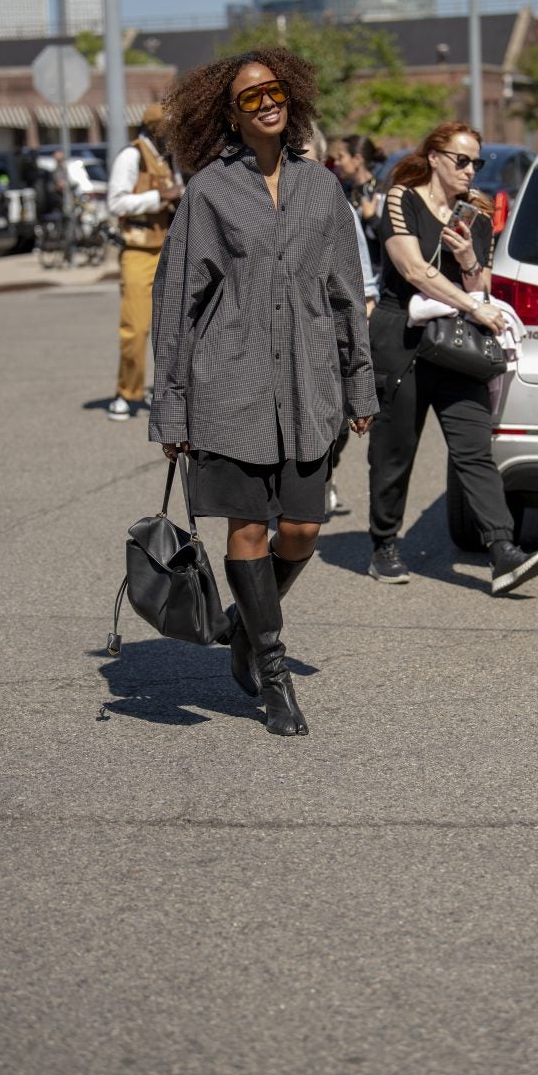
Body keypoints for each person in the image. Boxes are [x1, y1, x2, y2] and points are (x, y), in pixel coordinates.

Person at [149, 49, 378, 737]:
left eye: (273, 91)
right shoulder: (210, 192)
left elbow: (345, 291)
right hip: (230, 387)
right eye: (249, 98)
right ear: (230, 113)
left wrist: (358, 384)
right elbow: (176, 302)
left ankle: (246, 623)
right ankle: (271, 672)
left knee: (303, 529)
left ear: (293, 96)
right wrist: (172, 404)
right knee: (247, 528)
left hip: (310, 387)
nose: (265, 104)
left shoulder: (322, 189)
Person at [366, 120, 538, 595]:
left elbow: (480, 284)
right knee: (394, 451)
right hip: (401, 336)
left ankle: (503, 550)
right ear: (434, 158)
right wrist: (474, 305)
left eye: (477, 162)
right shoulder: (401, 198)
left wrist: (468, 258)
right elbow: (411, 269)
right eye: (462, 160)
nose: (472, 170)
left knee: (473, 449)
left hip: (455, 344)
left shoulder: (479, 217)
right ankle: (384, 544)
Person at [304, 124, 380, 518]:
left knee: (334, 423)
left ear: (321, 159)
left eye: (305, 152)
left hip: (328, 338)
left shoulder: (338, 207)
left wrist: (359, 340)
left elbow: (362, 282)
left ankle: (324, 474)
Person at [105, 104, 183, 421]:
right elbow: (115, 202)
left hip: (168, 246)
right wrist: (161, 197)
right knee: (136, 328)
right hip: (138, 250)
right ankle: (127, 392)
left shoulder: (169, 158)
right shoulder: (131, 156)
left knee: (172, 329)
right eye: (168, 131)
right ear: (154, 129)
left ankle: (164, 391)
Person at [331, 134, 387, 273]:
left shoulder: (382, 192)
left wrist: (373, 219)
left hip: (376, 277)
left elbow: (393, 240)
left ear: (357, 159)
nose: (336, 163)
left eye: (341, 157)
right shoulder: (343, 192)